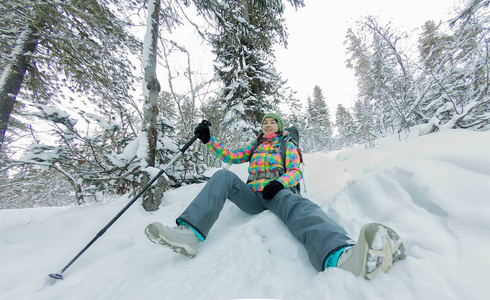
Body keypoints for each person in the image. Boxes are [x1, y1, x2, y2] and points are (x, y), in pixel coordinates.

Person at [145, 113, 406, 279]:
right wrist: (209, 140)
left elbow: (295, 170)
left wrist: (280, 183)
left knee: (298, 205)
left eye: (271, 121)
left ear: (279, 127)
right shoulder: (256, 145)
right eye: (264, 122)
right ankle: (190, 234)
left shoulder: (286, 145)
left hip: (277, 191)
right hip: (252, 194)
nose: (266, 124)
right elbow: (230, 157)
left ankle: (340, 255)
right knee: (223, 176)